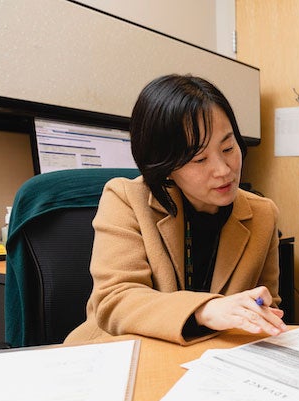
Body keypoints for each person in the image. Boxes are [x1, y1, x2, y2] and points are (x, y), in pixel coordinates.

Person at [66, 74, 287, 345]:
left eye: (228, 147)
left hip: (209, 363)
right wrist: (205, 309)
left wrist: (260, 311)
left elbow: (266, 306)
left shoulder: (263, 214)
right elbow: (115, 299)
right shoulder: (125, 199)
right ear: (166, 165)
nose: (223, 170)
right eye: (199, 159)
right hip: (125, 357)